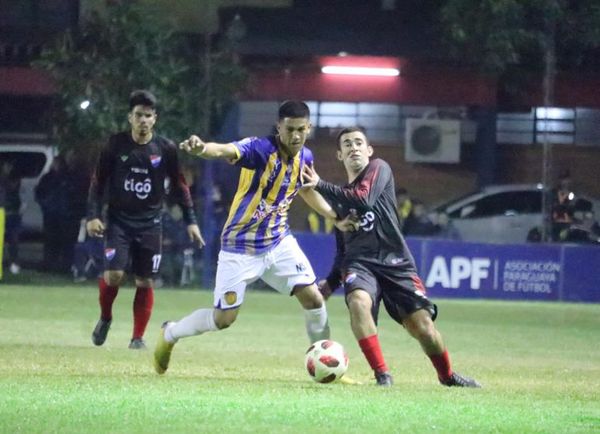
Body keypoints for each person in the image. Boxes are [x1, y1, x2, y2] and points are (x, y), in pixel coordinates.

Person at [153, 100, 356, 375]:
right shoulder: (260, 149)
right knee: (223, 319)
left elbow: (306, 190)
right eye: (289, 129)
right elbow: (226, 149)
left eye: (301, 130)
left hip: (278, 242)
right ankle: (171, 333)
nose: (295, 136)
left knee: (314, 299)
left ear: (308, 128)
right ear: (278, 127)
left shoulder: (305, 157)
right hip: (240, 247)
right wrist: (203, 148)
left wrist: (333, 216)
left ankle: (326, 367)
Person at [302, 127, 481, 388]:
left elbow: (363, 198)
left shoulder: (379, 169)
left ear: (369, 150)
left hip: (395, 261)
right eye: (347, 144)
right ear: (340, 155)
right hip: (360, 264)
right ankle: (382, 375)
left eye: (358, 142)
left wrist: (319, 184)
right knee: (359, 302)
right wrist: (331, 282)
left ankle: (447, 376)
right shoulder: (338, 198)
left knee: (423, 327)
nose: (353, 147)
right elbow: (343, 246)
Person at [86, 89, 204, 350]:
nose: (143, 120)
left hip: (151, 223)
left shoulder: (166, 148)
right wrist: (92, 215)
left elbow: (180, 185)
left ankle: (137, 337)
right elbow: (97, 182)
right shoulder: (114, 145)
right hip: (118, 221)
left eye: (148, 116)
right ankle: (106, 317)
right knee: (114, 275)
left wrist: (191, 221)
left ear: (155, 119)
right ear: (130, 117)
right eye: (138, 115)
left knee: (145, 280)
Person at [35, 155, 69, 272]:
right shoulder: (48, 178)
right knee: (50, 240)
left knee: (59, 240)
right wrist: (45, 205)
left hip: (61, 214)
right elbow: (39, 193)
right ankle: (49, 264)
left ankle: (58, 265)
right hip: (52, 213)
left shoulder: (65, 177)